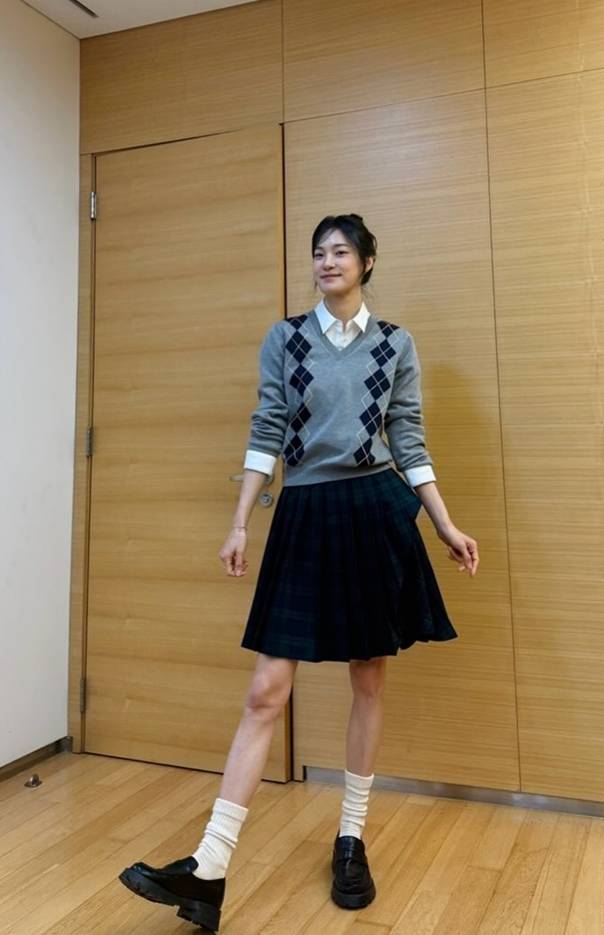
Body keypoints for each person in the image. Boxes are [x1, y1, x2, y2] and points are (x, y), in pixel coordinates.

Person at [119, 213, 479, 932]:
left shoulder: (395, 342)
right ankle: (210, 866)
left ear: (367, 262)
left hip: (373, 510)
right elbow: (267, 428)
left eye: (340, 251)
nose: (326, 262)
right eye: (318, 253)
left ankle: (351, 838)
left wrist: (443, 521)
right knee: (265, 690)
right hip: (305, 512)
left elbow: (408, 438)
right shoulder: (284, 338)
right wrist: (240, 521)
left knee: (368, 678)